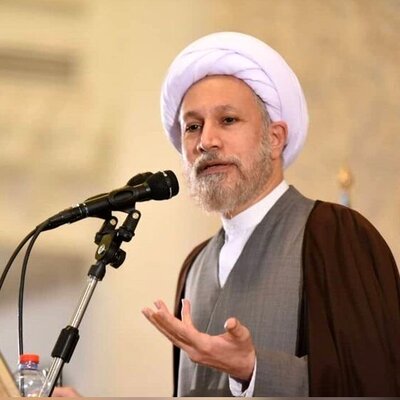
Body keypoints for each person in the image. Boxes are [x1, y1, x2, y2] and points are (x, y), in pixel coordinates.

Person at [53, 32, 400, 397]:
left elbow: (376, 384)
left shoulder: (336, 235)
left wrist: (253, 368)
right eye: (193, 126)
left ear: (275, 138)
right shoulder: (195, 266)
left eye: (228, 120)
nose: (206, 141)